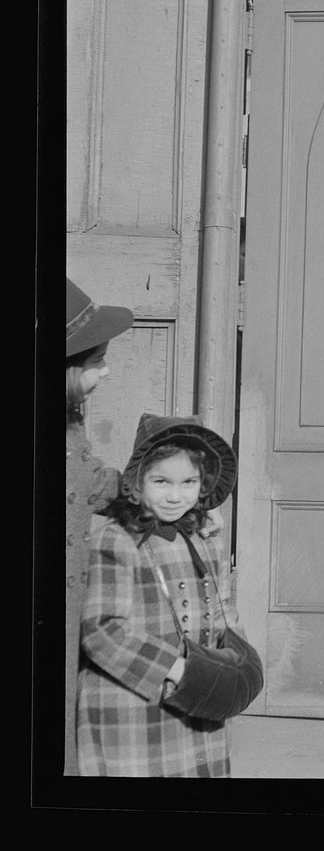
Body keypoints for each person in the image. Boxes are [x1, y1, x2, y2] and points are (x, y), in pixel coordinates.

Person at [77, 413, 246, 776]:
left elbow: (222, 608)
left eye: (188, 482)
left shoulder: (206, 538)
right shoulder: (117, 540)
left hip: (200, 696)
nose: (175, 495)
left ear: (203, 486)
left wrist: (234, 662)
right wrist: (176, 668)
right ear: (137, 484)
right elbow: (103, 630)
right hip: (136, 705)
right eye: (161, 481)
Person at [65, 277, 134, 775]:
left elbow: (90, 483)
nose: (105, 372)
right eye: (95, 364)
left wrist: (151, 491)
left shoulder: (69, 425)